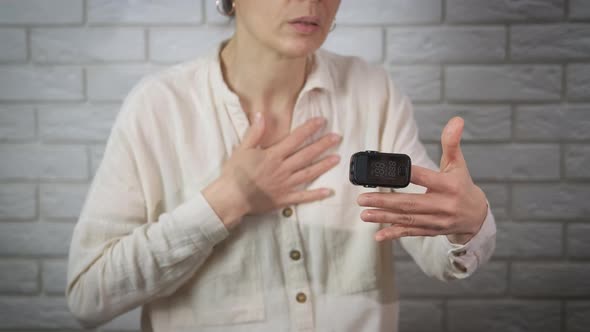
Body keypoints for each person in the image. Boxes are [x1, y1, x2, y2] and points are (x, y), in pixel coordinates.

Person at [66, 0, 496, 331]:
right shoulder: (159, 108)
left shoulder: (373, 91)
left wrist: (466, 223)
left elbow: (438, 254)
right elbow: (89, 296)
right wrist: (222, 203)